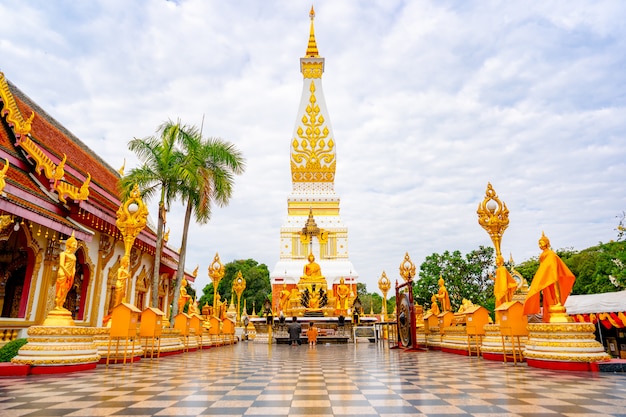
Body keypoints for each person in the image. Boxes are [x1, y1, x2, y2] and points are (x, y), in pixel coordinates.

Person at [523, 232, 576, 323]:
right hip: (547, 277)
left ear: (547, 243)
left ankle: (558, 302)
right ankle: (554, 304)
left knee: (555, 288)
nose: (540, 245)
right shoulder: (543, 256)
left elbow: (551, 267)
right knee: (548, 294)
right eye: (539, 243)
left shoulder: (551, 254)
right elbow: (544, 268)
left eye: (541, 242)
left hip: (552, 276)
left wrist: (548, 276)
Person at [54, 233, 78, 310]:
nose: (75, 246)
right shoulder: (63, 254)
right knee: (61, 289)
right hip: (63, 273)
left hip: (70, 275)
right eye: (74, 244)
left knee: (66, 290)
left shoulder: (74, 256)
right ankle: (57, 305)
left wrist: (73, 273)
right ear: (69, 244)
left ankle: (61, 305)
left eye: (75, 244)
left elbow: (74, 266)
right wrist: (67, 272)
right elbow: (61, 264)